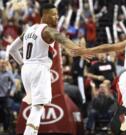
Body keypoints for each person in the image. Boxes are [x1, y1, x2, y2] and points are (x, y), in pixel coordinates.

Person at [8, 3, 80, 135]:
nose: (57, 17)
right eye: (54, 14)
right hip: (39, 69)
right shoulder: (48, 30)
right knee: (37, 108)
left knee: (34, 106)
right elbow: (64, 41)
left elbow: (12, 49)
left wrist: (22, 63)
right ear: (45, 15)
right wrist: (80, 50)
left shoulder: (29, 30)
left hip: (26, 70)